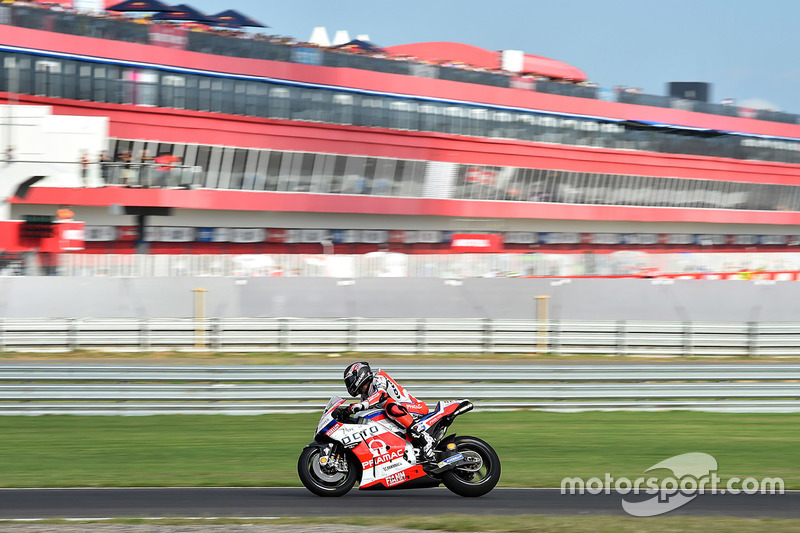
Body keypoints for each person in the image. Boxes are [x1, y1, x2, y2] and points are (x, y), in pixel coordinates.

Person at [343, 361, 436, 461]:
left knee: (390, 406)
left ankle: (425, 438)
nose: (349, 384)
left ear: (360, 375)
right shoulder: (365, 396)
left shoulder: (378, 378)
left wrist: (362, 405)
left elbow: (381, 395)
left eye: (350, 380)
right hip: (398, 416)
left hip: (415, 408)